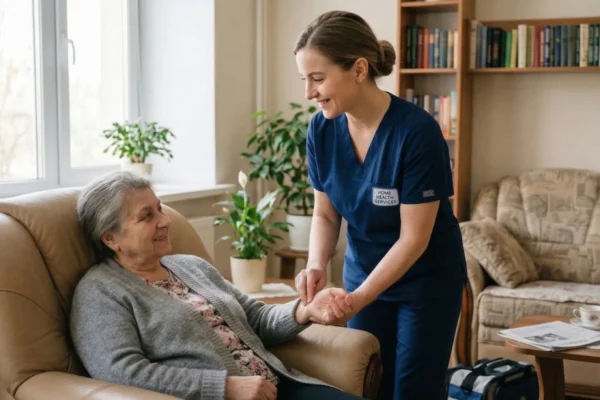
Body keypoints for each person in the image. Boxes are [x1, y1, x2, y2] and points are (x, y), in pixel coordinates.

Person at [293, 10, 467, 400]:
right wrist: (316, 264)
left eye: (318, 79)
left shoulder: (416, 133)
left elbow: (413, 240)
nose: (309, 93)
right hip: (364, 271)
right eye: (304, 80)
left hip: (425, 281)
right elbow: (325, 213)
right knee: (369, 383)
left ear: (358, 69)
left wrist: (355, 300)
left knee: (413, 390)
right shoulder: (321, 128)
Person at [70, 171, 364, 400]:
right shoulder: (100, 291)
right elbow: (121, 372)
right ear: (110, 238)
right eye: (147, 216)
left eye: (160, 209)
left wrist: (304, 310)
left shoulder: (191, 266)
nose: (164, 221)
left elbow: (255, 318)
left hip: (279, 386)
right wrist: (224, 387)